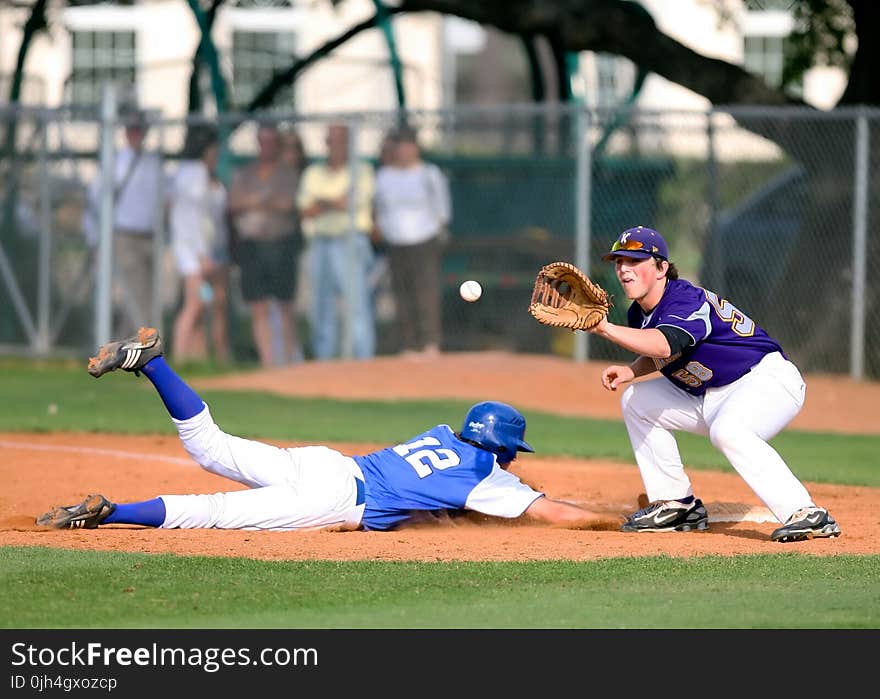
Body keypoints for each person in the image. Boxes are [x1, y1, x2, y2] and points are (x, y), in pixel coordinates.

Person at [35, 327, 608, 533]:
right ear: (504, 449)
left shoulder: (440, 434)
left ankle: (153, 362)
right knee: (213, 511)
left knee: (210, 448)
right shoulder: (487, 478)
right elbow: (549, 511)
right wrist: (617, 523)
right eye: (512, 453)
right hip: (335, 497)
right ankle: (111, 513)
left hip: (327, 463)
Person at [588, 225, 841, 543]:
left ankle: (807, 514)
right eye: (619, 261)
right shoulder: (639, 313)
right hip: (711, 394)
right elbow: (668, 351)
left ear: (662, 268)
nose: (624, 269)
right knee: (637, 399)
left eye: (635, 261)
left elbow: (666, 344)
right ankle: (677, 506)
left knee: (729, 431)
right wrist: (632, 371)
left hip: (765, 381)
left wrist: (604, 329)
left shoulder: (685, 300)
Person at [82, 105, 164, 335]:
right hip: (124, 237)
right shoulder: (115, 164)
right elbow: (94, 203)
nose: (136, 134)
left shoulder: (152, 163)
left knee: (147, 297)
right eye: (133, 129)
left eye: (140, 129)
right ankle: (135, 348)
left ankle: (130, 348)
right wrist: (94, 239)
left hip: (150, 236)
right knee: (136, 297)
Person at [297, 123, 376, 360]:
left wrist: (322, 203)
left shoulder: (361, 170)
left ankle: (362, 360)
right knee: (321, 306)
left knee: (356, 305)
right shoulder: (313, 173)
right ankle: (324, 361)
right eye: (330, 140)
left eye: (340, 140)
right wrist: (332, 202)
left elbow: (350, 203)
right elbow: (306, 210)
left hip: (350, 241)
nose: (334, 145)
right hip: (321, 242)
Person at [227, 123, 302, 367]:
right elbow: (234, 203)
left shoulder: (287, 173)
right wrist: (265, 200)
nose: (266, 147)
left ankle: (289, 361)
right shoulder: (246, 172)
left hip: (280, 245)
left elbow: (287, 204)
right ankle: (269, 364)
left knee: (284, 305)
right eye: (263, 142)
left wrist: (253, 201)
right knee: (258, 305)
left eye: (271, 142)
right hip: (252, 247)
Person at [373, 126, 451, 358]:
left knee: (425, 291)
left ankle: (430, 343)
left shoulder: (429, 174)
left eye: (409, 146)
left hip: (424, 239)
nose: (405, 152)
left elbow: (442, 210)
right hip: (395, 241)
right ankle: (409, 344)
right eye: (400, 147)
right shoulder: (384, 176)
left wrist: (436, 231)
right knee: (401, 292)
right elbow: (379, 209)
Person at [168, 124, 231, 364]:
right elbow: (195, 219)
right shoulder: (195, 174)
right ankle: (180, 358)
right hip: (193, 252)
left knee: (205, 303)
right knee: (194, 305)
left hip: (196, 250)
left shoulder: (189, 173)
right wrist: (203, 255)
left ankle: (198, 357)